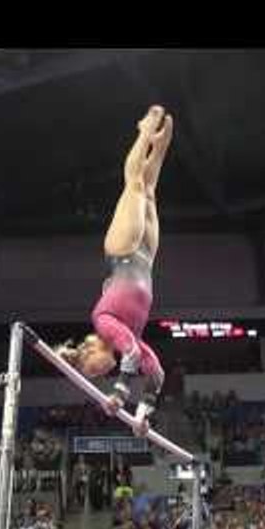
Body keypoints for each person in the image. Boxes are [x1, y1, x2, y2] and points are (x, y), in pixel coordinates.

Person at [56, 106, 174, 437]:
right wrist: (144, 413)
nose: (99, 374)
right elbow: (157, 374)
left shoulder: (102, 321)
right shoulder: (130, 339)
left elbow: (133, 355)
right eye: (100, 378)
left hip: (121, 253)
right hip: (146, 259)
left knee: (134, 184)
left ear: (88, 355)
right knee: (148, 191)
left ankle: (144, 131)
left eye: (93, 373)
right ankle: (160, 147)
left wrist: (120, 394)